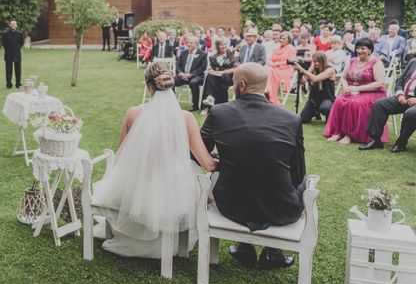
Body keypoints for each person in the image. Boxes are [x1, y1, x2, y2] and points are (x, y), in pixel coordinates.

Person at [92, 62, 218, 259]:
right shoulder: (185, 118)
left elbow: (121, 158)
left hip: (137, 185)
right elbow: (207, 164)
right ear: (171, 84)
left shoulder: (133, 113)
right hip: (173, 190)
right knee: (190, 176)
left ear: (148, 86)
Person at [201, 63, 305, 270]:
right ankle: (272, 253)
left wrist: (226, 162)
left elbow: (199, 152)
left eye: (233, 85)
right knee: (302, 184)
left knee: (248, 182)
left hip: (232, 204)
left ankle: (245, 247)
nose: (232, 88)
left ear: (241, 84)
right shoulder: (292, 118)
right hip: (281, 209)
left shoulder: (219, 112)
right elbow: (298, 172)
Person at [323, 38, 388, 147]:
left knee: (355, 103)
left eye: (363, 48)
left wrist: (358, 89)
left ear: (370, 50)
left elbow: (380, 83)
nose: (359, 51)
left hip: (373, 92)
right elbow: (343, 78)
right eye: (357, 48)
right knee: (339, 100)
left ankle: (350, 135)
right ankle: (338, 132)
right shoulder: (352, 60)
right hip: (353, 90)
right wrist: (346, 87)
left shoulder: (376, 62)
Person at [366, 58, 416, 152]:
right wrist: (400, 95)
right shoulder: (413, 61)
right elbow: (400, 80)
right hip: (404, 98)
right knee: (380, 104)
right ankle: (375, 140)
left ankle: (401, 143)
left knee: (411, 113)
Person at [294, 52, 336, 123]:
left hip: (327, 98)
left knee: (325, 108)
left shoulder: (330, 70)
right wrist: (300, 73)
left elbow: (315, 78)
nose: (314, 63)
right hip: (314, 99)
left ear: (322, 61)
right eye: (313, 61)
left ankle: (330, 116)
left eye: (316, 61)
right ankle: (316, 112)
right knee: (303, 119)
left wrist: (302, 69)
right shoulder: (314, 66)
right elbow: (304, 80)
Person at [201, 38, 237, 113]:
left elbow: (235, 69)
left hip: (228, 78)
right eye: (221, 45)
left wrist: (222, 72)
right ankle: (209, 98)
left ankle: (208, 103)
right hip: (215, 78)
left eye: (225, 44)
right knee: (210, 76)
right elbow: (210, 70)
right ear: (217, 46)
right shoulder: (213, 57)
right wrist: (215, 73)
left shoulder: (231, 56)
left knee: (210, 78)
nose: (223, 46)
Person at [175, 35, 207, 111]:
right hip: (183, 76)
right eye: (188, 42)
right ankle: (172, 102)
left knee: (193, 82)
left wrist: (190, 75)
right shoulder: (183, 53)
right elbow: (178, 66)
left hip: (196, 76)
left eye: (191, 43)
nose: (188, 44)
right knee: (171, 81)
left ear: (196, 44)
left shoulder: (202, 54)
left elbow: (202, 68)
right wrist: (180, 73)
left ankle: (195, 105)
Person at [2, 19, 24, 89]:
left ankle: (18, 84)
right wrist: (9, 48)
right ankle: (9, 84)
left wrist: (16, 48)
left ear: (16, 25)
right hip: (8, 54)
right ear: (10, 25)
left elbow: (21, 43)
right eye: (11, 24)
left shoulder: (20, 33)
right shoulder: (6, 34)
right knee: (8, 70)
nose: (13, 25)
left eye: (14, 24)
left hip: (17, 53)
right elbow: (4, 43)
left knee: (18, 70)